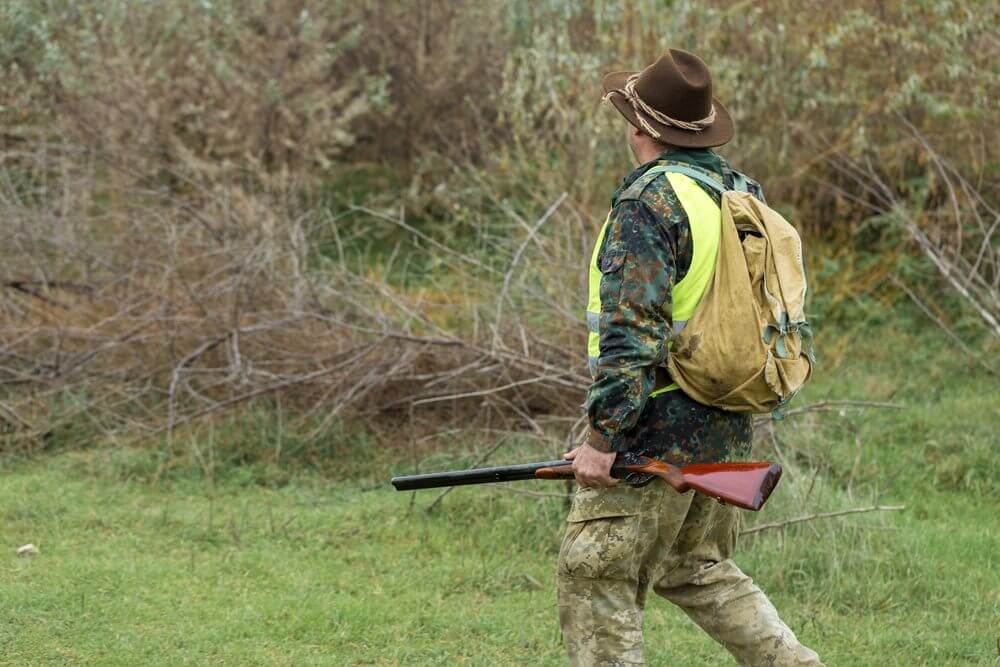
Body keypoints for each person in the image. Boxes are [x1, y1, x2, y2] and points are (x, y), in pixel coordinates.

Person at [557, 49, 823, 666]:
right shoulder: (737, 192)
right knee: (697, 567)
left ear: (641, 129)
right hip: (727, 424)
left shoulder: (649, 202)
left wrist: (602, 438)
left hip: (653, 425)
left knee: (595, 578)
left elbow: (632, 334)